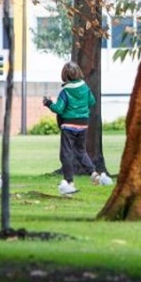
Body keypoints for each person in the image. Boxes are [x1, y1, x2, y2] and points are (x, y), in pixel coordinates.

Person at [44, 61, 111, 194]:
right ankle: (94, 174)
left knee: (66, 154)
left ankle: (69, 182)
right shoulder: (85, 87)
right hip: (83, 124)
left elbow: (59, 109)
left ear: (65, 75)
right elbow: (92, 101)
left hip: (68, 125)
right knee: (81, 152)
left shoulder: (65, 91)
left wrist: (49, 103)